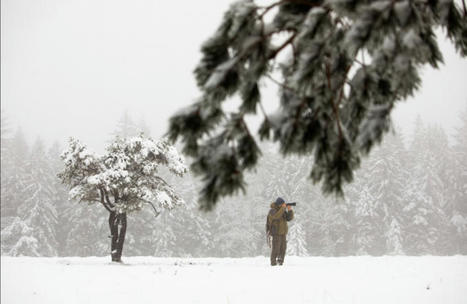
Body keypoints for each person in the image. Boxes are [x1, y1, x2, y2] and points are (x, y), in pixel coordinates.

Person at [266, 197, 294, 266]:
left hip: (283, 233)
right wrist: (283, 208)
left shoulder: (282, 210)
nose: (283, 205)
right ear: (279, 204)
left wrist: (290, 210)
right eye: (282, 204)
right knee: (276, 248)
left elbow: (288, 218)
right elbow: (276, 216)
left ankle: (280, 262)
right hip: (276, 233)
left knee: (283, 249)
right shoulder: (272, 210)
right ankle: (273, 263)